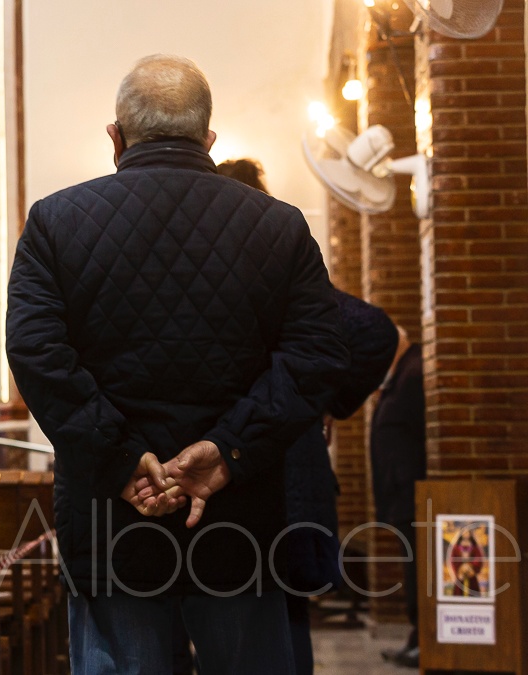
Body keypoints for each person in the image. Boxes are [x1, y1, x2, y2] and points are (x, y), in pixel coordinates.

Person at [6, 54, 348, 674]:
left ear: (115, 136)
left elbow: (37, 354)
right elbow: (318, 355)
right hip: (236, 518)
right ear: (209, 139)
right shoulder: (279, 226)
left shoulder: (55, 224)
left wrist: (119, 459)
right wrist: (227, 452)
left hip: (111, 517)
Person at [215, 158, 399, 675]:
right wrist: (320, 399)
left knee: (238, 614)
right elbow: (373, 331)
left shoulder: (232, 274)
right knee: (286, 615)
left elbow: (373, 331)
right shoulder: (282, 268)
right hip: (289, 459)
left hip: (245, 467)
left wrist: (324, 398)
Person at [370, 326, 426, 668]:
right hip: (402, 496)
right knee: (414, 568)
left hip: (414, 496)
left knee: (420, 570)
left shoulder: (413, 373)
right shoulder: (399, 376)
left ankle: (423, 640)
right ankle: (417, 638)